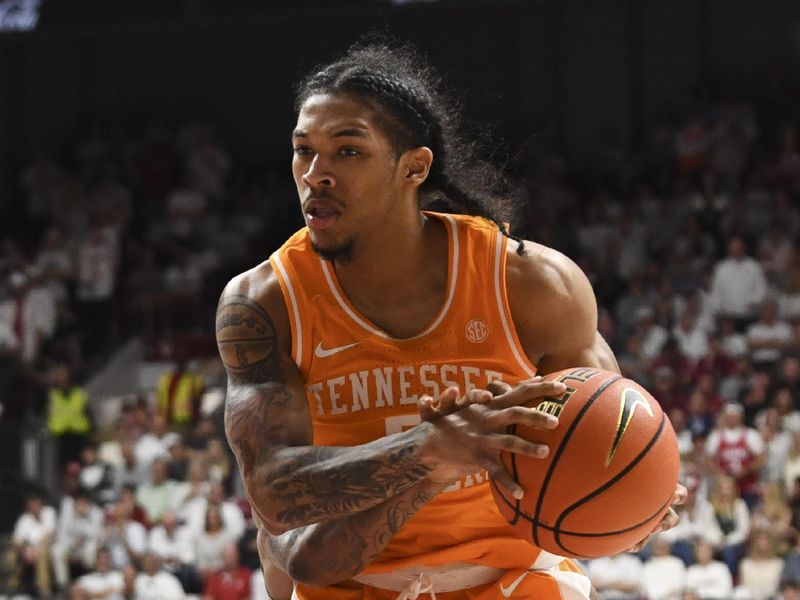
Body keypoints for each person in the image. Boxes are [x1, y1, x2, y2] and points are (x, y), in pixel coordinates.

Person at [215, 40, 684, 600]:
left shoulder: (528, 284)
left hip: (510, 574)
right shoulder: (266, 302)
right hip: (350, 573)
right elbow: (272, 496)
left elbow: (610, 424)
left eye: (348, 152)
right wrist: (428, 453)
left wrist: (634, 490)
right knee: (292, 553)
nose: (316, 173)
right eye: (303, 151)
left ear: (414, 167)